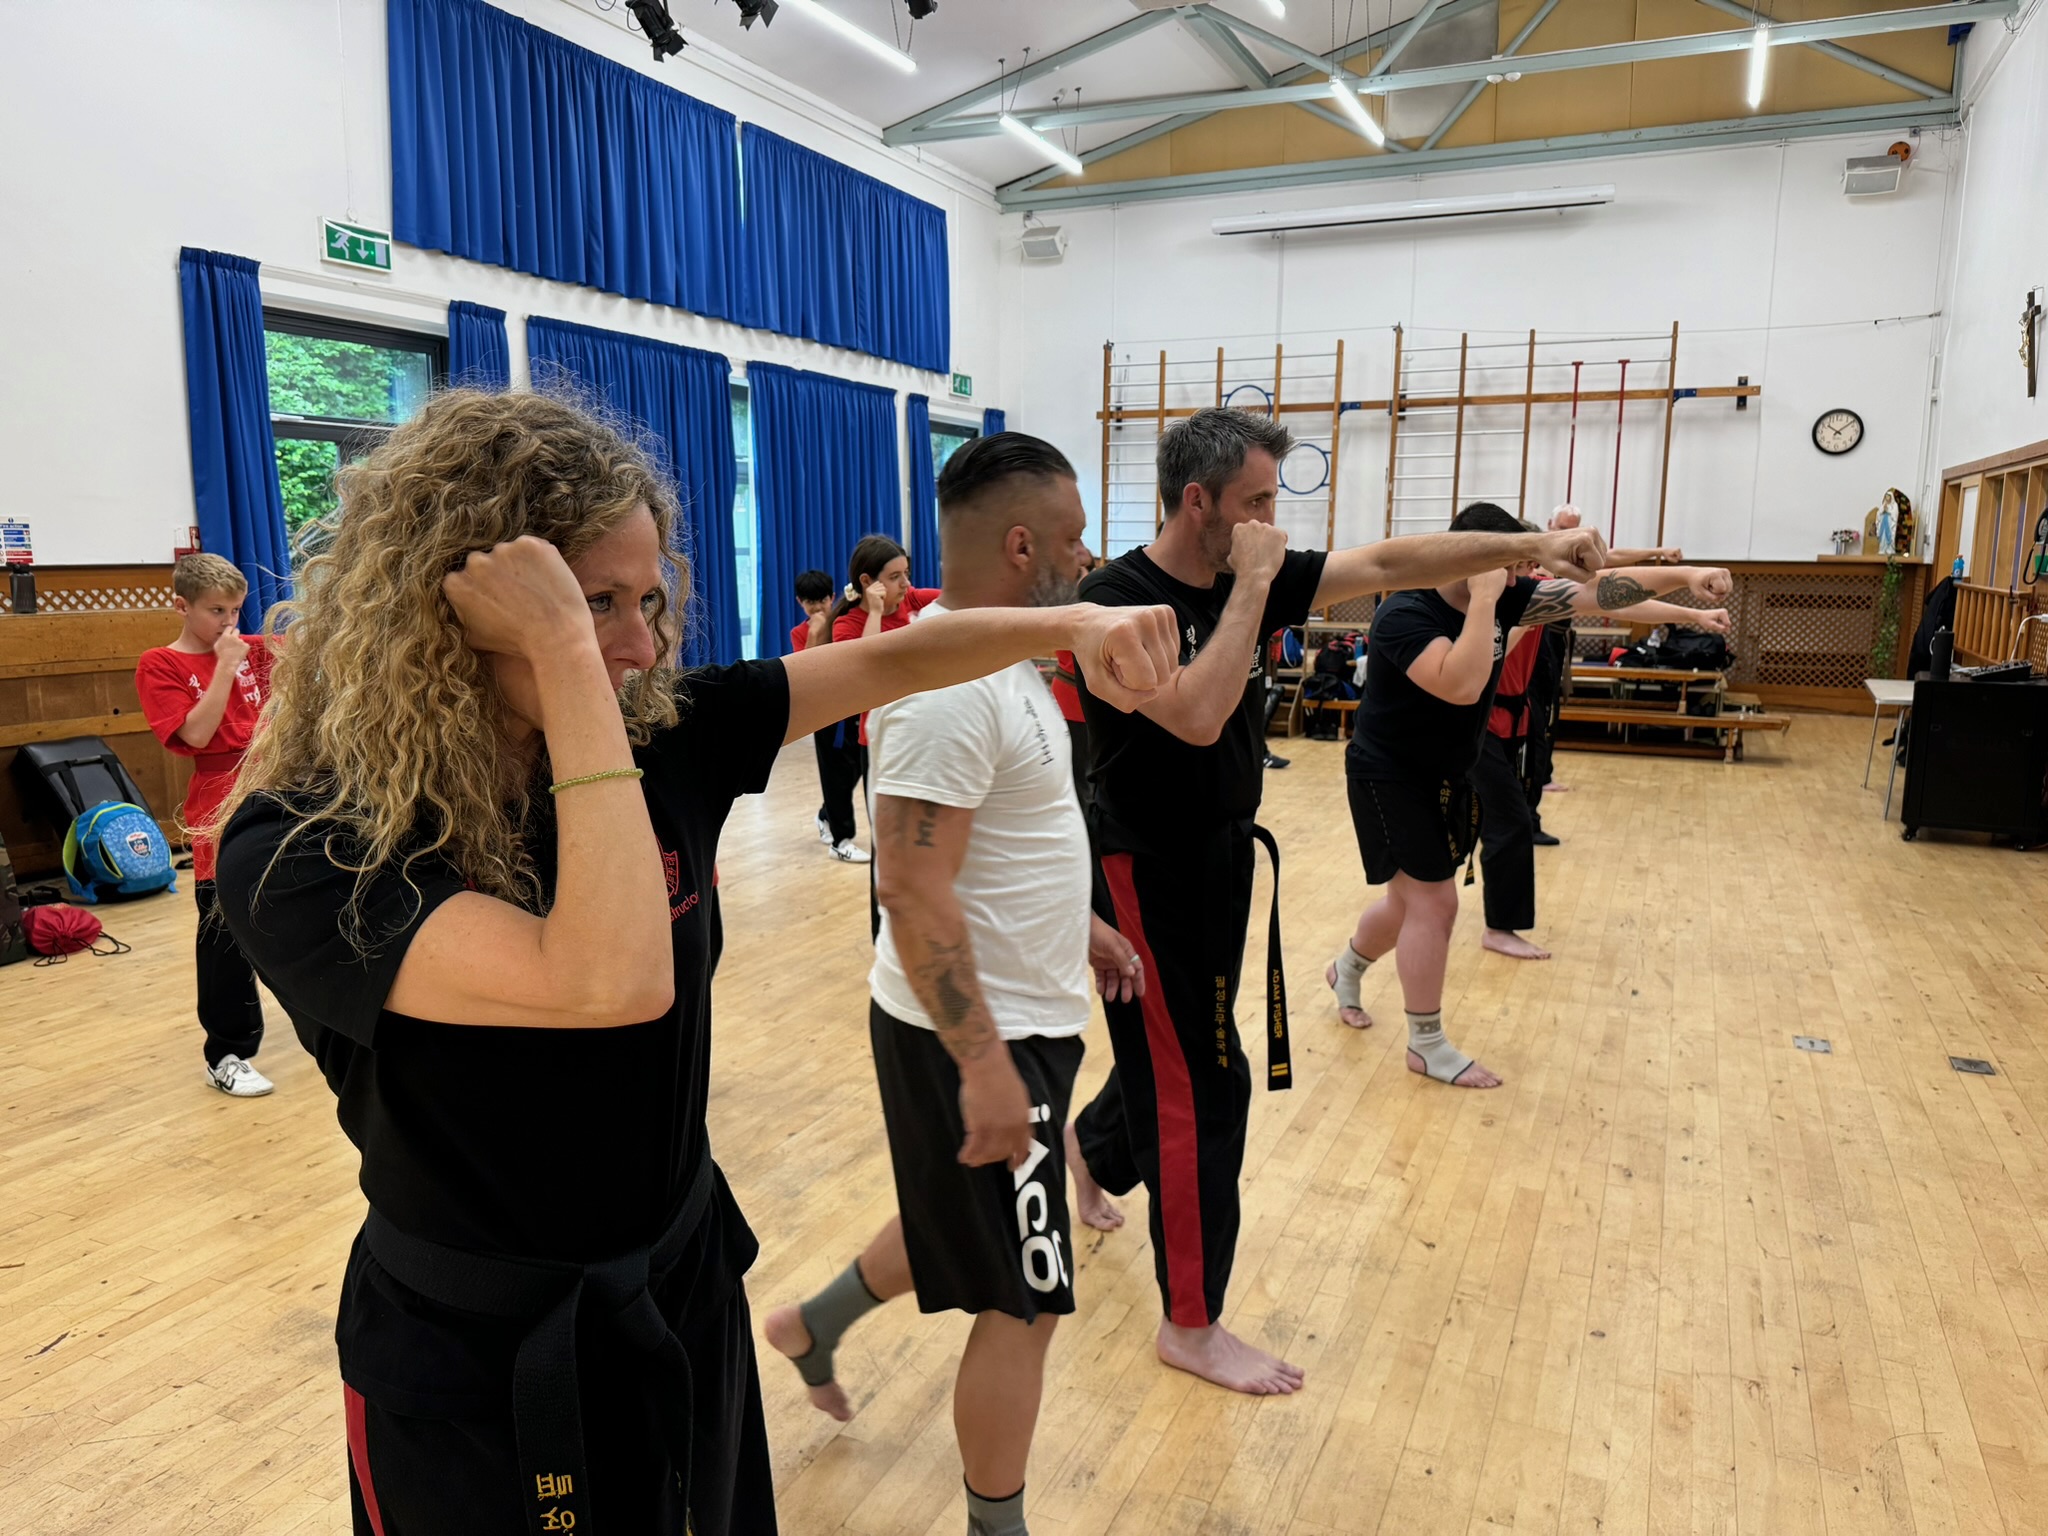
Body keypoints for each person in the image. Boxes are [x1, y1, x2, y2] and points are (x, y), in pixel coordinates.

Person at [213, 389, 1181, 1536]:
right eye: (592, 604)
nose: (639, 646)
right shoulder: (307, 847)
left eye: (649, 600)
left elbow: (907, 657)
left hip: (680, 1292)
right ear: (453, 606)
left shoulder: (666, 736)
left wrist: (1071, 628)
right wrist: (568, 657)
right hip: (483, 1363)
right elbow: (609, 980)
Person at [1066, 409, 1611, 1396]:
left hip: (1224, 853)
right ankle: (1189, 1325)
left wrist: (1528, 546)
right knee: (1204, 1085)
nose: (1271, 522)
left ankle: (1093, 1146)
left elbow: (1391, 560)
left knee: (1181, 1052)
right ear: (1197, 502)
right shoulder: (1116, 602)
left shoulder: (1249, 569)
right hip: (1144, 869)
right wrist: (1253, 587)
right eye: (1255, 503)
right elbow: (1197, 715)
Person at [764, 435, 1145, 1536]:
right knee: (1026, 1298)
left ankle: (813, 1322)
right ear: (1023, 546)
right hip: (976, 1032)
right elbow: (910, 882)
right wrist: (982, 1065)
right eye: (1073, 536)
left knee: (964, 1221)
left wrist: (1078, 923)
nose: (1087, 556)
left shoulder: (1007, 666)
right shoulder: (943, 689)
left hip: (1017, 1015)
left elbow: (995, 842)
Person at [1327, 502, 1732, 1087]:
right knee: (1436, 904)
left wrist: (1688, 580)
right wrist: (1487, 600)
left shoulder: (1507, 595)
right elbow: (1462, 685)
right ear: (1472, 557)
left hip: (1446, 773)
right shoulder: (1405, 613)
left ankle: (1346, 969)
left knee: (1405, 905)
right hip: (1389, 774)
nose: (1520, 576)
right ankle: (1426, 1044)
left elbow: (1601, 592)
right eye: (1510, 565)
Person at [135, 551, 275, 1097]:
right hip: (218, 801)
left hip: (275, 786)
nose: (228, 621)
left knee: (298, 906)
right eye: (216, 610)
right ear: (182, 606)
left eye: (235, 610)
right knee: (223, 926)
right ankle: (227, 1053)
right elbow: (195, 734)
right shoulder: (160, 664)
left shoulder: (252, 649)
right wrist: (225, 666)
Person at [790, 568, 868, 864]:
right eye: (810, 602)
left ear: (832, 597)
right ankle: (840, 841)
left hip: (854, 708)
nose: (817, 607)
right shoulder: (800, 633)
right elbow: (805, 671)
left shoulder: (844, 621)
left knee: (855, 769)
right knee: (835, 774)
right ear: (800, 602)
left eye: (822, 600)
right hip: (825, 715)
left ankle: (826, 815)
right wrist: (815, 632)